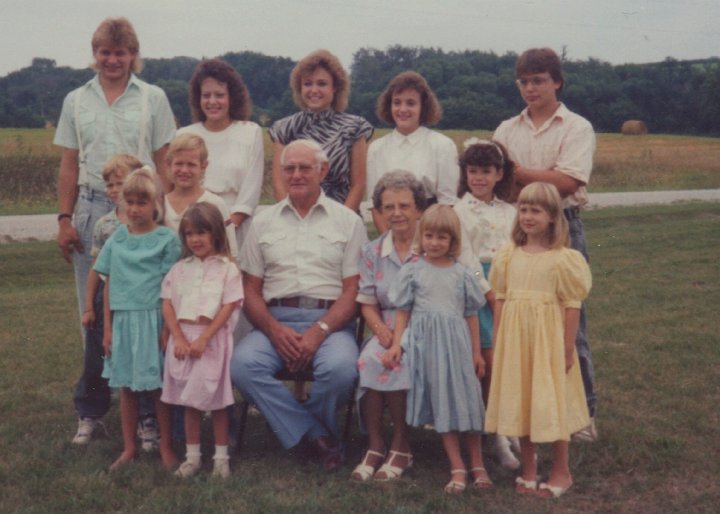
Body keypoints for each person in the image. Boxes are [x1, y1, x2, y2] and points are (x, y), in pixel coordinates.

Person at [53, 17, 176, 442]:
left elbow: (164, 162)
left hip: (141, 210)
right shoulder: (75, 100)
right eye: (105, 52)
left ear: (133, 55)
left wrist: (166, 214)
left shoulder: (153, 98)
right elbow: (69, 164)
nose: (112, 60)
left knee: (138, 310)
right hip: (91, 208)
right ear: (96, 54)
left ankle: (145, 412)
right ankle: (90, 410)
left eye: (121, 52)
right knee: (93, 314)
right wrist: (65, 218)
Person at [230, 139, 367, 472]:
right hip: (275, 319)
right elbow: (251, 288)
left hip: (330, 321)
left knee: (340, 370)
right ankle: (318, 436)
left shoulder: (348, 222)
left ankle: (305, 433)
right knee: (243, 365)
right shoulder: (264, 221)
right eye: (288, 168)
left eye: (305, 167)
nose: (296, 174)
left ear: (323, 170)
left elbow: (353, 291)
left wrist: (319, 331)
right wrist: (275, 331)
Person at [493, 47, 598, 441]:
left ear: (556, 81)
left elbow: (569, 182)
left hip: (563, 226)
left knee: (571, 321)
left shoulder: (576, 127)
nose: (530, 88)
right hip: (516, 226)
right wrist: (533, 179)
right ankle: (529, 413)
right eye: (524, 82)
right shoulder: (506, 129)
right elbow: (501, 184)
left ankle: (583, 415)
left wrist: (520, 173)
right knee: (521, 320)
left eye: (538, 80)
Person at [485, 182, 591, 498]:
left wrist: (567, 347)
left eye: (536, 210)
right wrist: (502, 339)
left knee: (552, 401)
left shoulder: (563, 259)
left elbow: (572, 306)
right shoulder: (508, 256)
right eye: (524, 209)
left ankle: (562, 470)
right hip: (516, 343)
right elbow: (501, 300)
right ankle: (528, 468)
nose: (528, 216)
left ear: (552, 217)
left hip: (549, 343)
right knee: (522, 400)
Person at [385, 204, 490, 494]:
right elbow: (403, 311)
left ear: (453, 241)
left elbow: (470, 315)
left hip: (458, 346)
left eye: (442, 238)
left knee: (468, 401)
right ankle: (456, 465)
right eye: (429, 236)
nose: (434, 243)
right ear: (422, 236)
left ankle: (478, 463)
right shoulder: (413, 271)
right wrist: (397, 343)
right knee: (443, 402)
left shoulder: (462, 273)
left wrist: (476, 352)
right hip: (428, 347)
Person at [94, 167, 181, 470]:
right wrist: (107, 328)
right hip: (123, 323)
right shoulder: (117, 239)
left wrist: (168, 328)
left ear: (156, 202)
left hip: (155, 320)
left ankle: (166, 447)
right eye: (128, 202)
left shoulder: (167, 240)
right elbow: (109, 284)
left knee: (158, 387)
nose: (133, 209)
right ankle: (129, 447)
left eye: (141, 203)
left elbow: (172, 289)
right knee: (127, 388)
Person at [350, 170, 425, 482]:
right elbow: (366, 299)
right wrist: (379, 329)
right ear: (379, 211)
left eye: (404, 206)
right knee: (369, 359)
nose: (397, 213)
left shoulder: (431, 247)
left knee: (401, 361)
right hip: (385, 322)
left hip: (423, 326)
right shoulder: (373, 251)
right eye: (389, 207)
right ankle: (376, 445)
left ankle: (401, 446)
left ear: (419, 209)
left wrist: (400, 337)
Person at [161, 203, 244, 479]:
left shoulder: (227, 269)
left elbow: (229, 306)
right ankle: (193, 457)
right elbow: (168, 305)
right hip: (183, 343)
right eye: (189, 233)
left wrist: (205, 338)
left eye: (202, 232)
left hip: (212, 342)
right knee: (190, 402)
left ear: (216, 233)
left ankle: (221, 459)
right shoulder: (179, 269)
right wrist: (179, 338)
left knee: (217, 401)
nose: (195, 239)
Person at [454, 138, 519, 470]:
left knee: (510, 364)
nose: (478, 178)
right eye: (472, 171)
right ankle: (493, 437)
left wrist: (507, 291)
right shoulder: (459, 211)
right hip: (477, 292)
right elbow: (465, 258)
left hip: (509, 287)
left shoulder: (510, 211)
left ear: (499, 174)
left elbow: (515, 251)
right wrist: (490, 293)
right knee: (489, 365)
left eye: (486, 172)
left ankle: (507, 428)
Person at [73, 154, 140, 445]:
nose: (113, 190)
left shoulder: (151, 219)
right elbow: (96, 268)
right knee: (98, 355)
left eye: (120, 183)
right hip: (105, 296)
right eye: (109, 185)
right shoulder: (104, 224)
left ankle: (146, 418)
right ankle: (89, 413)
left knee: (141, 355)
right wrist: (89, 305)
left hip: (139, 297)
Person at [269, 49, 373, 211]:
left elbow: (358, 185)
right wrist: (293, 219)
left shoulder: (355, 128)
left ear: (335, 87)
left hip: (342, 216)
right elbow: (279, 184)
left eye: (322, 83)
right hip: (295, 218)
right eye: (308, 84)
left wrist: (341, 222)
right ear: (299, 87)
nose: (314, 90)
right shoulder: (284, 128)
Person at [178, 59, 264, 250]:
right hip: (193, 230)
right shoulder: (184, 134)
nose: (212, 102)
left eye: (219, 95)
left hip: (236, 228)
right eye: (206, 95)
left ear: (231, 97)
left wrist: (226, 227)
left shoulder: (250, 132)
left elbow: (251, 191)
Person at [366, 71, 460, 232]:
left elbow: (447, 204)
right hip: (390, 234)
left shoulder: (443, 145)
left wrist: (426, 245)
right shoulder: (376, 148)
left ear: (423, 107)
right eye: (397, 102)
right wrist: (392, 245)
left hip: (430, 234)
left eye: (411, 103)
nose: (403, 109)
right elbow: (374, 206)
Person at [162, 133, 238, 259]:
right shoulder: (160, 205)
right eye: (179, 164)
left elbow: (230, 252)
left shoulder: (215, 203)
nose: (184, 170)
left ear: (204, 165)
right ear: (169, 164)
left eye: (191, 165)